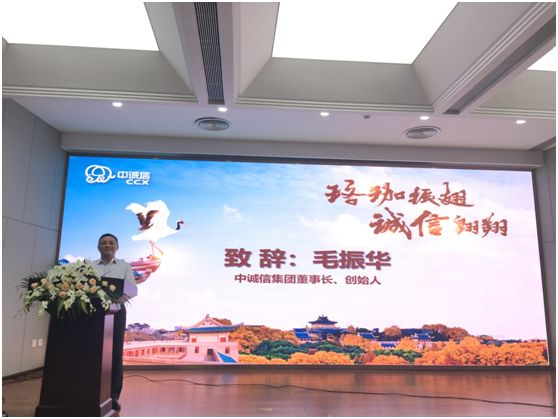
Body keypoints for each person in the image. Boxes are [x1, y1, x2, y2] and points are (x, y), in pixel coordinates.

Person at [93, 233, 135, 412]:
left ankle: (113, 396)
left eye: (111, 243)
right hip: (92, 313)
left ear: (117, 247)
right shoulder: (90, 266)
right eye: (103, 243)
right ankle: (92, 392)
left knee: (115, 352)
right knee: (93, 352)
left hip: (116, 312)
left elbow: (132, 289)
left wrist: (116, 302)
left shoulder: (124, 266)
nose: (107, 245)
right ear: (98, 247)